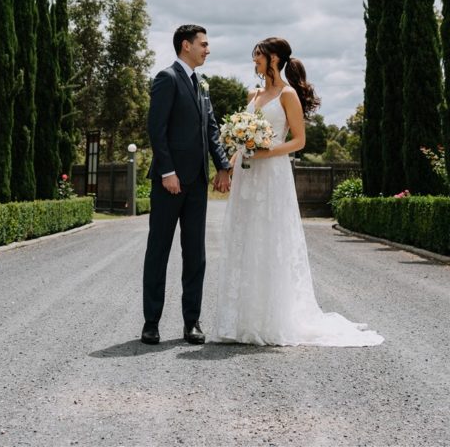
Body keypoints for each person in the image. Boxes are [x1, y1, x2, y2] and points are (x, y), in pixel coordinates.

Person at [209, 37, 384, 346]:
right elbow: (241, 140)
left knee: (270, 239)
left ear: (274, 59)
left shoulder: (288, 95)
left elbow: (299, 141)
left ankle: (272, 319)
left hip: (273, 174)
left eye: (259, 57)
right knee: (245, 237)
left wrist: (268, 152)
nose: (255, 62)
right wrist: (232, 163)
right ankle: (241, 321)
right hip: (248, 176)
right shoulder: (253, 94)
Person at [140, 24, 233, 345]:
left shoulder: (202, 85)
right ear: (185, 46)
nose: (208, 50)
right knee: (158, 251)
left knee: (196, 254)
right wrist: (166, 172)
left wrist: (223, 166)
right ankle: (151, 322)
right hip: (169, 183)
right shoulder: (166, 78)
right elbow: (157, 128)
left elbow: (211, 128)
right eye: (203, 44)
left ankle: (191, 322)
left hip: (196, 185)